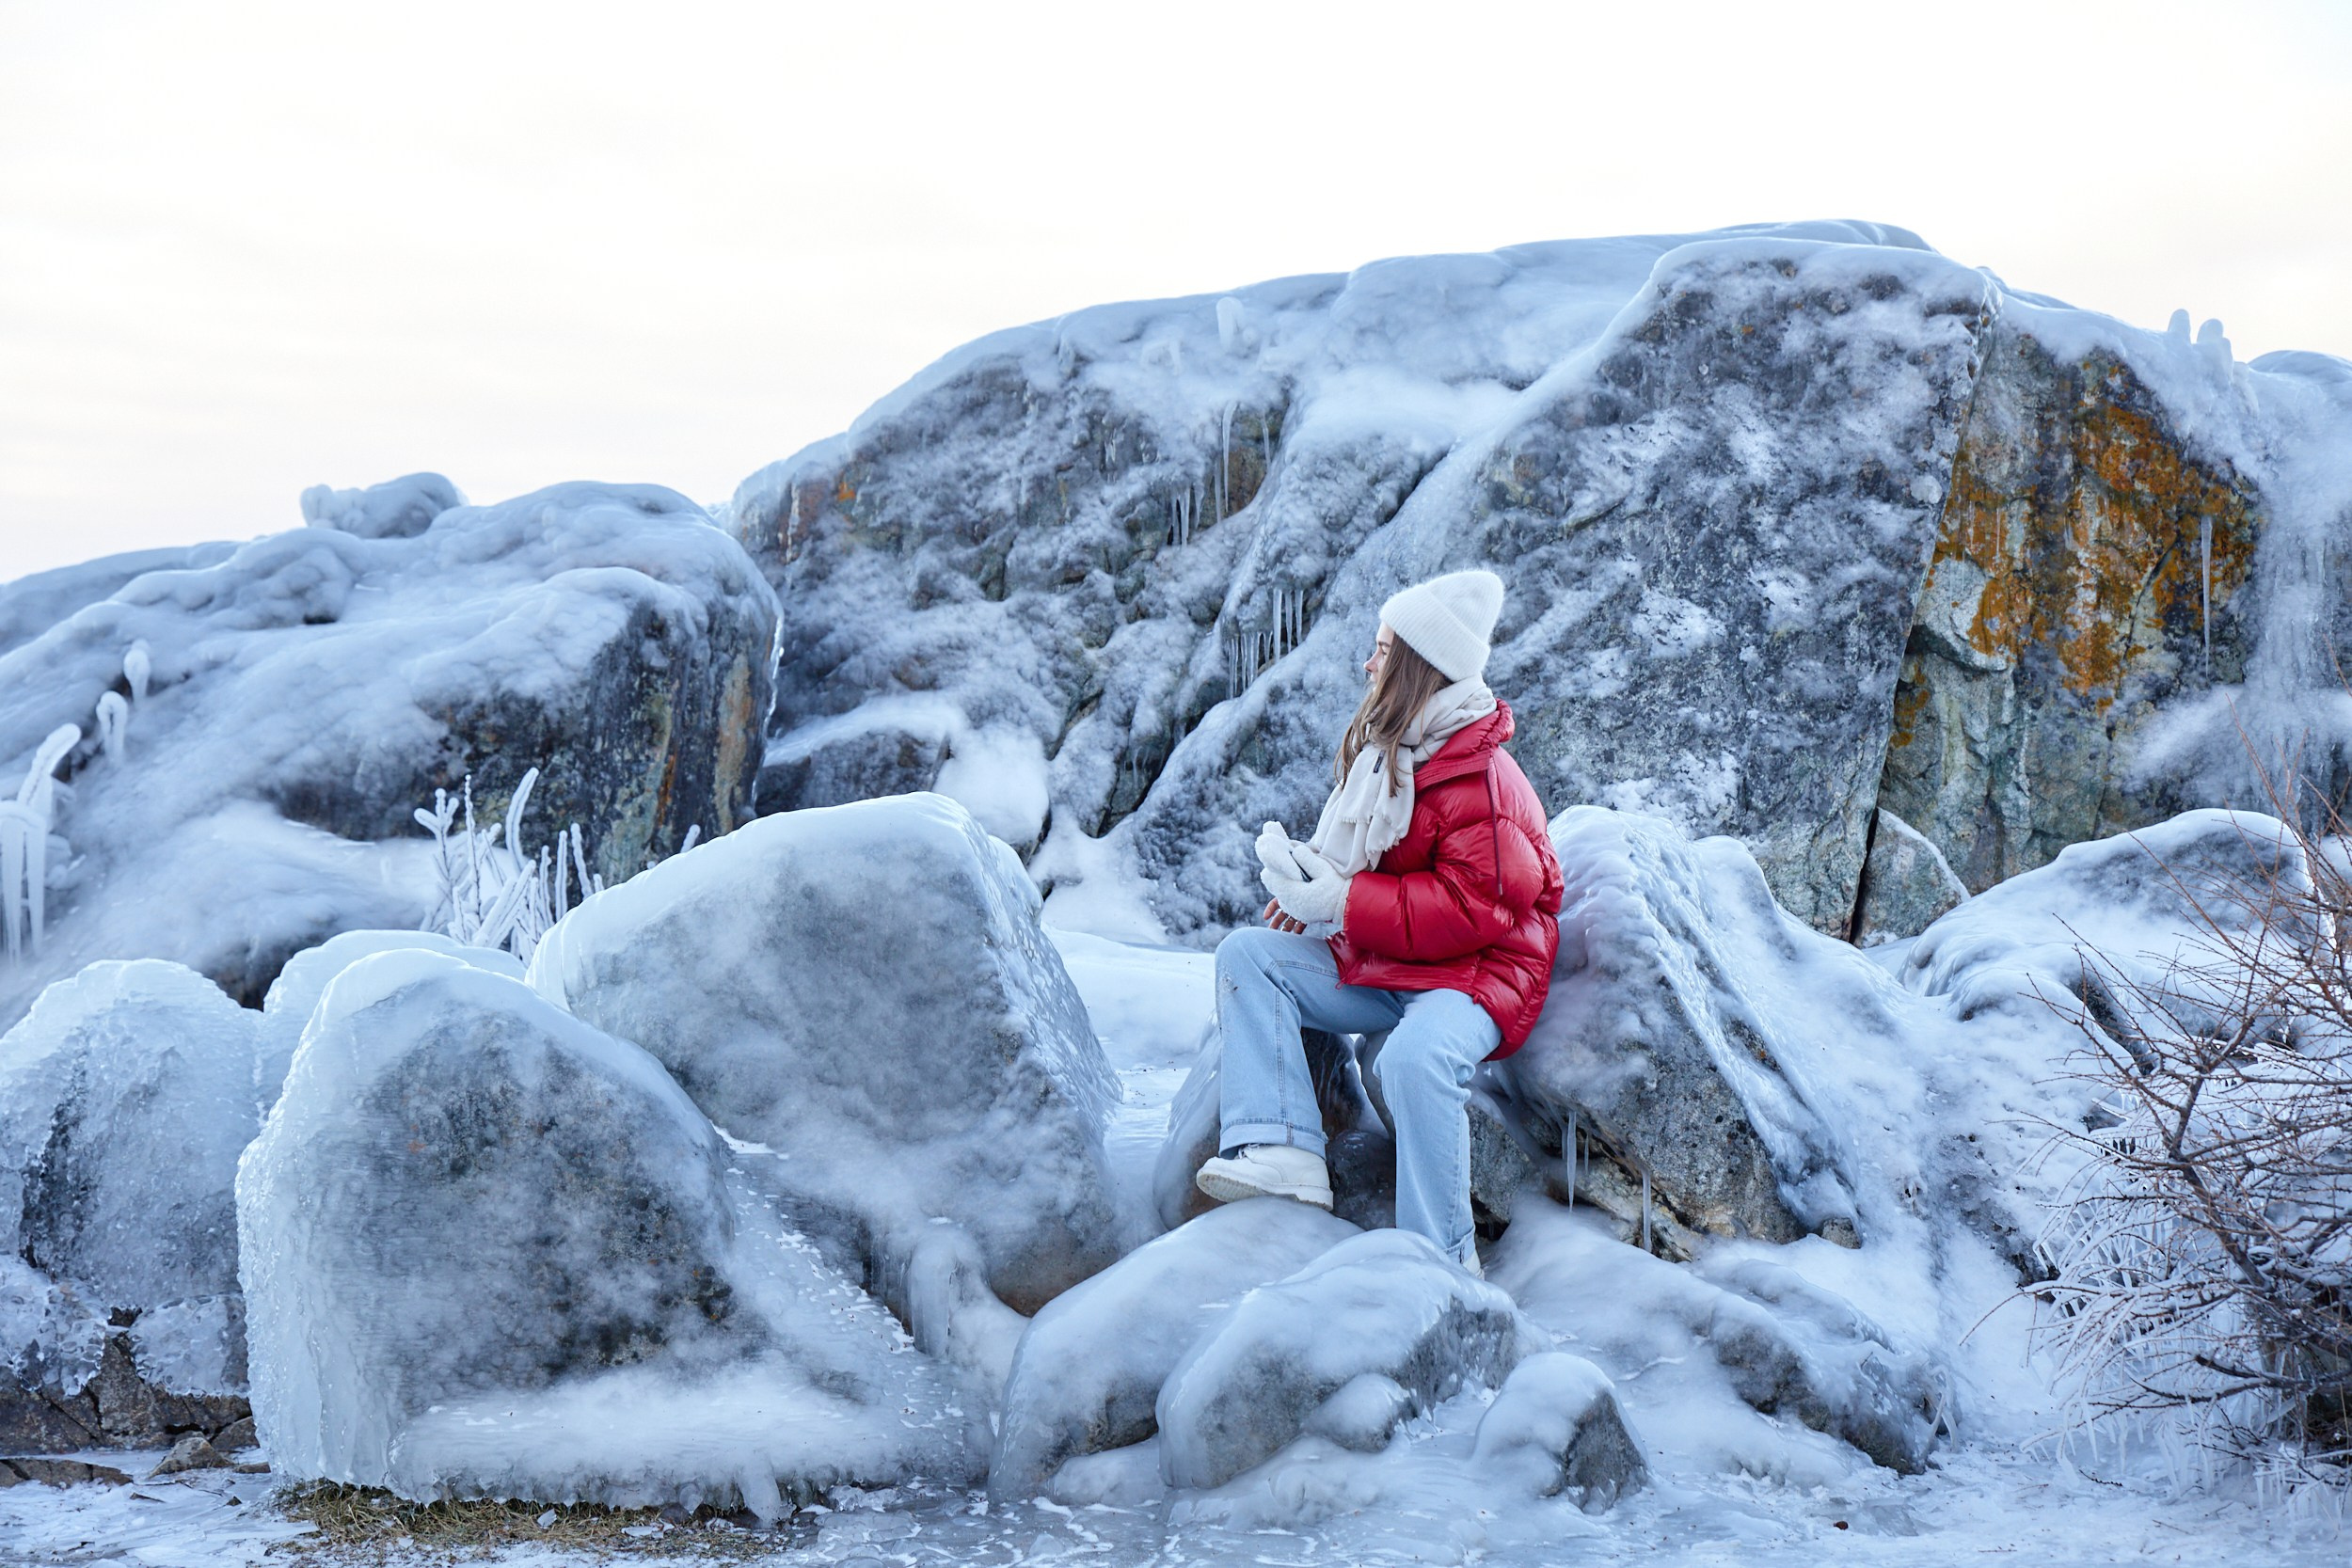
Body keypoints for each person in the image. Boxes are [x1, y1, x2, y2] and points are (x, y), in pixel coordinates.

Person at [1193, 569, 1564, 1275]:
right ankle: (1283, 1148)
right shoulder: (1393, 752)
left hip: (1478, 973)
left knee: (1412, 1058)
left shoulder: (1480, 777)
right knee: (1251, 956)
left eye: (1382, 649)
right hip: (1400, 959)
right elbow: (1376, 865)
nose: (1368, 663)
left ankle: (1444, 1259)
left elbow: (1475, 909)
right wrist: (1314, 894)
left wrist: (1343, 900)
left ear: (1418, 668)